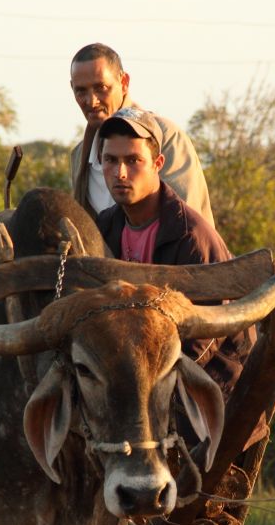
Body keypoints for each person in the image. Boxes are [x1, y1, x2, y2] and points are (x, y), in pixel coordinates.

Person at [93, 109, 246, 393]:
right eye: (110, 160)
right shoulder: (105, 227)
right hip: (138, 374)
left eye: (133, 160)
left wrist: (150, 382)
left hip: (208, 383)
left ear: (157, 163)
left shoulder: (191, 235)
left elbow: (207, 336)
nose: (120, 173)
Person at [68, 43, 212, 226]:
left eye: (101, 87)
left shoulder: (165, 137)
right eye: (81, 91)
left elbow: (187, 225)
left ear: (124, 82)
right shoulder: (80, 155)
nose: (91, 101)